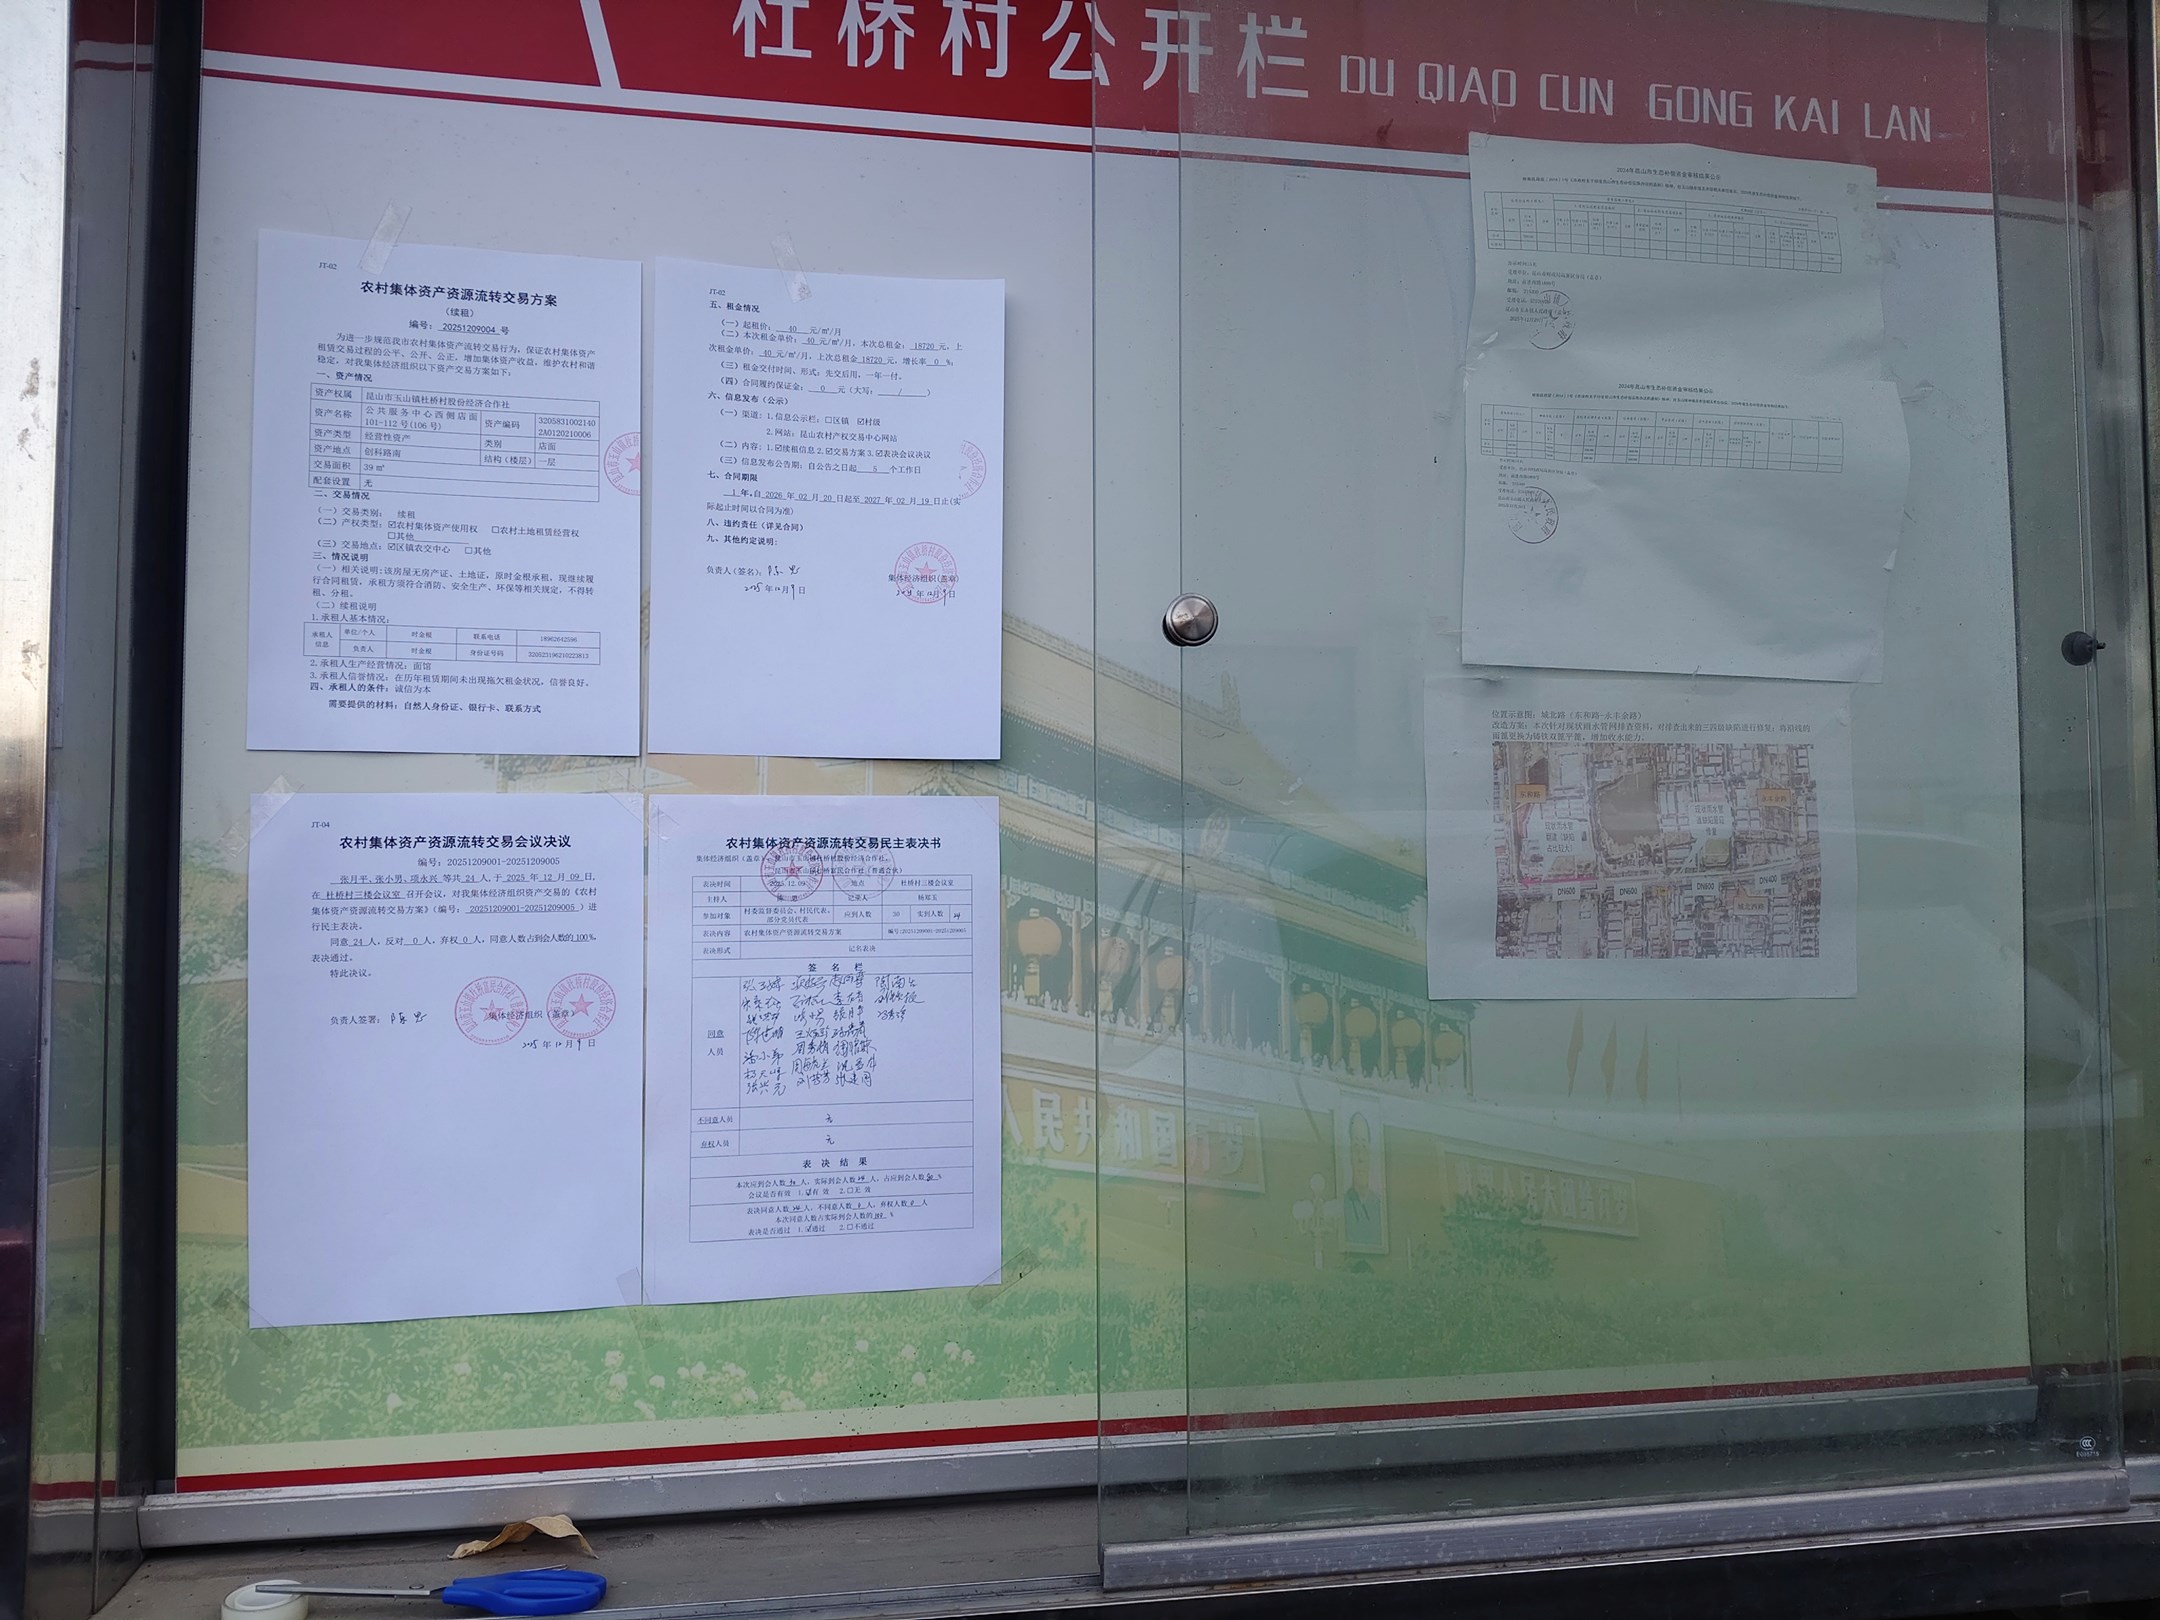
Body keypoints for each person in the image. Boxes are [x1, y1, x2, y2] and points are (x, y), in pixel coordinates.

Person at [1342, 1112, 1384, 1250]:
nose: (1360, 1157)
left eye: (1364, 1148)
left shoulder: (1379, 1206)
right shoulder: (1343, 1204)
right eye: (1356, 1147)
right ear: (1349, 1154)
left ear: (1370, 1154)